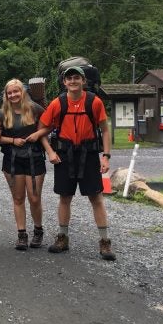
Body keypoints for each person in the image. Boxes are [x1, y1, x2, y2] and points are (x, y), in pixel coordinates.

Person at [38, 66, 116, 260]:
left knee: (96, 198)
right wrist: (50, 152)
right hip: (64, 155)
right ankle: (62, 237)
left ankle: (105, 242)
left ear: (83, 81)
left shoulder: (94, 102)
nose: (72, 81)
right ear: (64, 82)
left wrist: (106, 156)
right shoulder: (58, 103)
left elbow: (105, 130)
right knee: (65, 197)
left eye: (76, 78)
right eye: (69, 78)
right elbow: (42, 130)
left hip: (89, 155)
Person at [0, 79, 52, 250]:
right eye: (10, 92)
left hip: (34, 157)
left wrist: (37, 134)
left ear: (22, 92)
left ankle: (38, 230)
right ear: (6, 95)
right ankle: (21, 234)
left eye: (16, 91)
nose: (13, 95)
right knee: (18, 198)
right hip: (12, 159)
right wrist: (12, 140)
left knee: (34, 198)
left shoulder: (35, 108)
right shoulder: (2, 113)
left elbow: (49, 126)